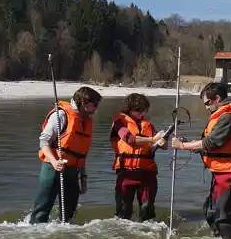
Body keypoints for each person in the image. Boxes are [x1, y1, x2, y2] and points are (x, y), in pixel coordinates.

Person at [171, 82, 231, 239]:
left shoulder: (229, 117)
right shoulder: (223, 116)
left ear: (218, 99)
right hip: (222, 173)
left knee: (222, 217)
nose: (206, 107)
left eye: (208, 103)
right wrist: (193, 146)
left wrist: (183, 146)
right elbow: (211, 144)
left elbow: (211, 142)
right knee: (210, 212)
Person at [29, 86, 102, 224]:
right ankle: (35, 233)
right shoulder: (61, 115)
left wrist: (84, 177)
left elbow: (80, 153)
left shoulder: (85, 121)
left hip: (72, 172)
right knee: (42, 211)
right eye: (95, 104)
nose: (96, 108)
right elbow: (44, 141)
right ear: (84, 103)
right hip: (53, 168)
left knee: (69, 214)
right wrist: (54, 162)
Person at [109, 93, 170, 221]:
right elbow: (128, 138)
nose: (141, 112)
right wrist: (153, 139)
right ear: (129, 108)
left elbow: (162, 146)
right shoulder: (119, 121)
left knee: (147, 209)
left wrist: (163, 140)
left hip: (147, 173)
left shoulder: (148, 125)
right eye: (138, 109)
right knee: (124, 211)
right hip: (126, 173)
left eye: (142, 109)